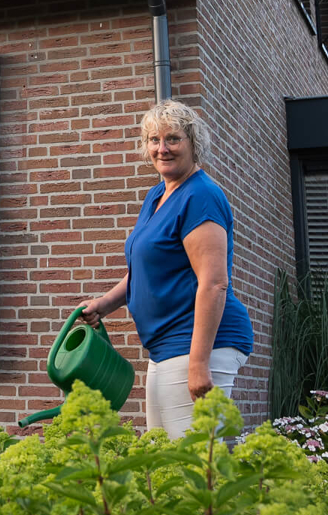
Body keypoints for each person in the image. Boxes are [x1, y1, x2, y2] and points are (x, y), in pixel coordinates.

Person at [81, 99, 253, 438]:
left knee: (195, 458)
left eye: (173, 138)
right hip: (165, 347)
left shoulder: (200, 195)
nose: (162, 149)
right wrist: (104, 304)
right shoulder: (157, 196)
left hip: (198, 343)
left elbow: (214, 283)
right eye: (154, 140)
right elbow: (146, 268)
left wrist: (199, 363)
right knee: (164, 455)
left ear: (193, 143)